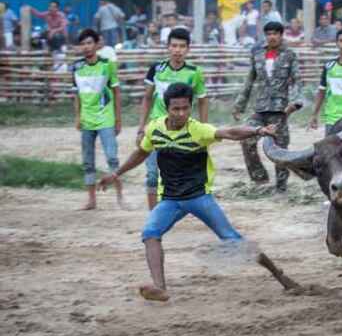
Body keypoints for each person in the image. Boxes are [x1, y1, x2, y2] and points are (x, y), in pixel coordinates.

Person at [98, 82, 278, 302]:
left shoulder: (198, 130)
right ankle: (160, 288)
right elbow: (141, 153)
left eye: (185, 108)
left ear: (190, 107)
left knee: (234, 240)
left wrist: (259, 130)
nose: (181, 113)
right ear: (167, 108)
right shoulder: (154, 129)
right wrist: (116, 174)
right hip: (171, 200)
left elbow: (230, 132)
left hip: (199, 198)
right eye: (176, 109)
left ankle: (279, 275)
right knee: (150, 234)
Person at [138, 28, 208, 210]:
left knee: (179, 174)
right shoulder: (156, 69)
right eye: (174, 46)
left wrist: (204, 129)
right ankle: (153, 215)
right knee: (153, 174)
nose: (178, 50)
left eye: (182, 46)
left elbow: (202, 100)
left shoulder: (195, 72)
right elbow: (146, 98)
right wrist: (141, 127)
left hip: (182, 131)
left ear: (188, 49)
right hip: (156, 127)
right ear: (168, 47)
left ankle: (178, 210)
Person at [232, 21, 303, 193]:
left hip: (280, 110)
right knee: (246, 138)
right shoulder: (257, 54)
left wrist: (294, 103)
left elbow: (296, 80)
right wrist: (239, 105)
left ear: (281, 35)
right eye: (269, 33)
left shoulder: (290, 54)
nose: (272, 36)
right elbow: (250, 80)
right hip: (260, 109)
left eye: (275, 33)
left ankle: (281, 188)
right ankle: (260, 180)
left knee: (279, 150)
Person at [71, 28, 124, 210]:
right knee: (87, 161)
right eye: (83, 44)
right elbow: (76, 95)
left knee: (112, 159)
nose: (86, 47)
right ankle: (91, 200)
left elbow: (117, 92)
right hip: (86, 121)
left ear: (96, 44)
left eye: (89, 43)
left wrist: (118, 119)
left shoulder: (107, 64)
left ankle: (120, 198)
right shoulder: (76, 67)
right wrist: (77, 117)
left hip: (106, 119)